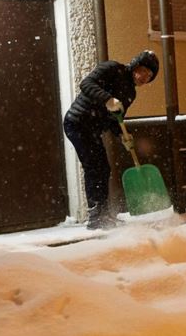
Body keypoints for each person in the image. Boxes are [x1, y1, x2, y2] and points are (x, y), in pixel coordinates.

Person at [63, 50, 159, 229]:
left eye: (149, 76)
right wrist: (107, 99)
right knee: (93, 166)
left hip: (93, 129)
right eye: (144, 71)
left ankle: (102, 212)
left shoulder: (130, 93)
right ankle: (95, 216)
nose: (144, 77)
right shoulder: (112, 68)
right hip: (77, 122)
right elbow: (86, 84)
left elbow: (116, 118)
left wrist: (122, 134)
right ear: (135, 65)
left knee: (103, 168)